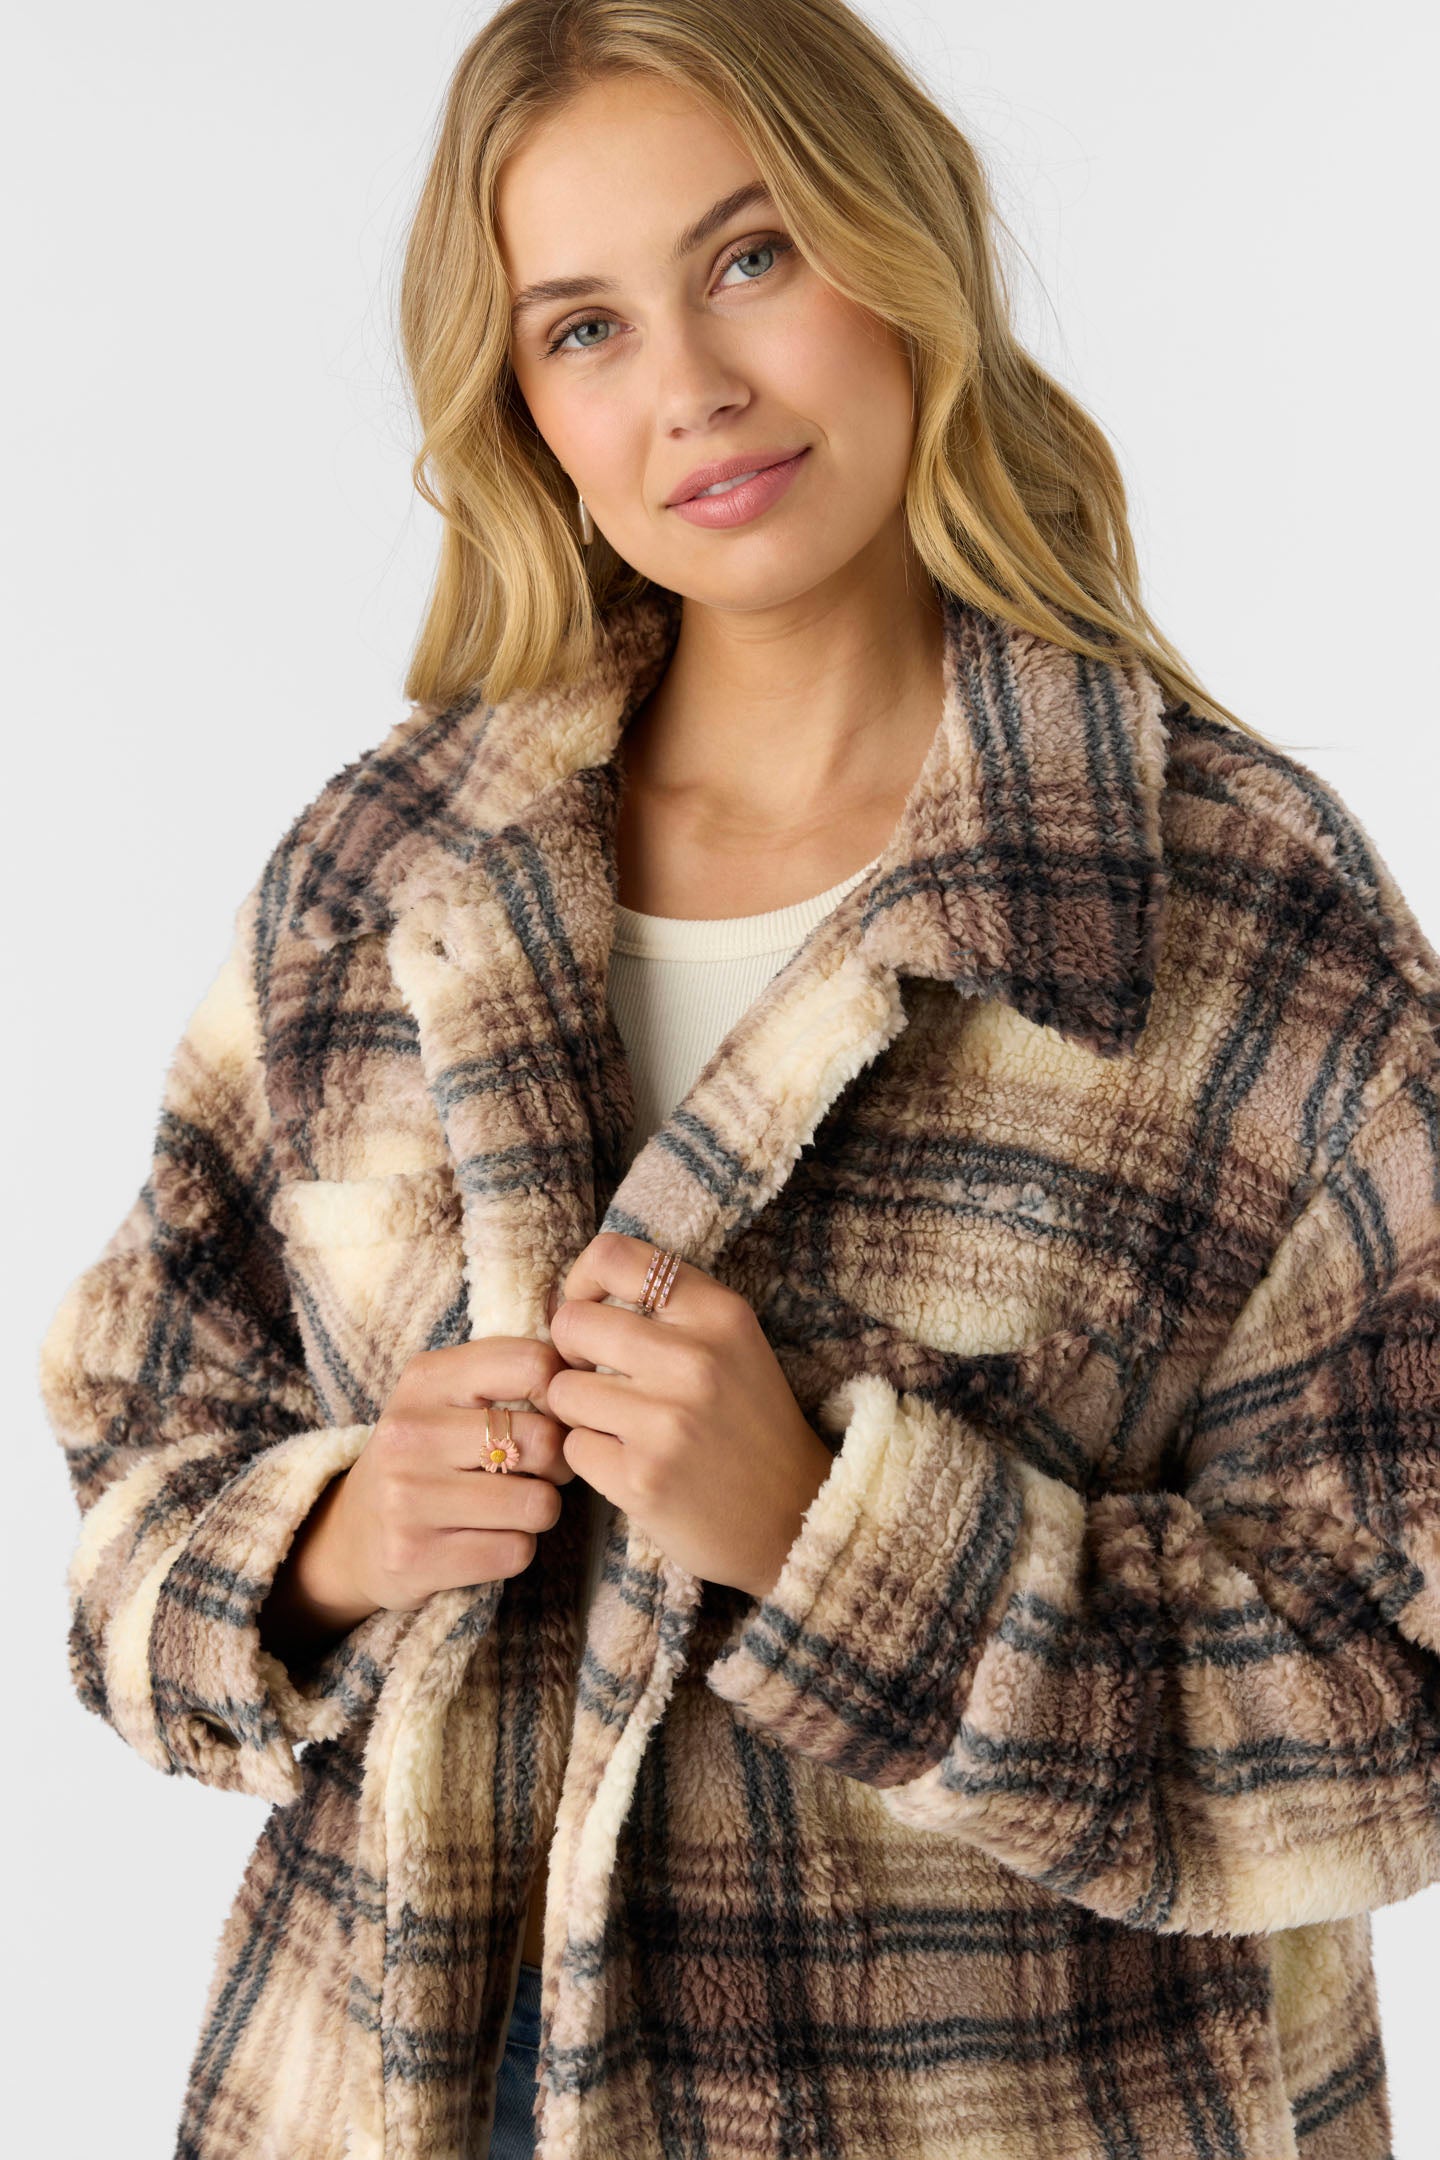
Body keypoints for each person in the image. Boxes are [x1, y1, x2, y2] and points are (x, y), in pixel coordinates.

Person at [37, 2, 1440, 2156]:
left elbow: (1386, 1703)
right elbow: (134, 1453)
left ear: (905, 251)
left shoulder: (1237, 921)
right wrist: (327, 1542)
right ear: (525, 408)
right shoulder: (387, 873)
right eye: (585, 326)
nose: (689, 384)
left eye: (753, 256)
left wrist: (829, 1538)